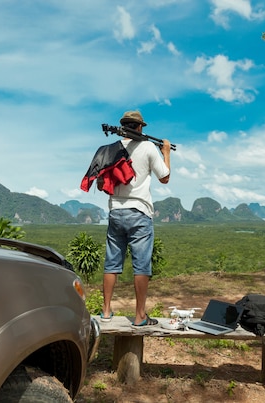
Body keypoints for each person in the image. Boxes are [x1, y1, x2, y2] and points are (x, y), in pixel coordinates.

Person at [98, 110, 171, 327]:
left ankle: (106, 311)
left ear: (123, 126)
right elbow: (165, 177)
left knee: (112, 262)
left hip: (115, 213)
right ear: (139, 127)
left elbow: (103, 185)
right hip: (139, 212)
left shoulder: (112, 149)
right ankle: (140, 315)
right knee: (141, 265)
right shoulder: (148, 147)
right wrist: (166, 152)